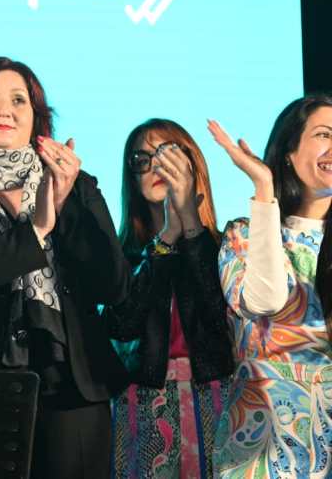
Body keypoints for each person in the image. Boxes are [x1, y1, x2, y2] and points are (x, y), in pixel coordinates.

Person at [0, 56, 131, 479]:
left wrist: (63, 209)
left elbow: (114, 286)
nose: (3, 110)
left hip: (72, 388)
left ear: (36, 121)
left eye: (18, 100)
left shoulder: (77, 184)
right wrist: (35, 231)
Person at [208, 95, 332, 477]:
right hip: (259, 445)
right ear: (289, 152)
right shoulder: (243, 235)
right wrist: (264, 188)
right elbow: (265, 300)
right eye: (324, 135)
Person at [104, 119, 234, 479]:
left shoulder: (225, 245)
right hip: (144, 404)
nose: (155, 166)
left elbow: (222, 317)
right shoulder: (122, 254)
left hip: (215, 398)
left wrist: (189, 224)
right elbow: (121, 325)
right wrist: (164, 241)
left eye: (167, 154)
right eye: (141, 159)